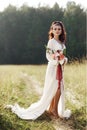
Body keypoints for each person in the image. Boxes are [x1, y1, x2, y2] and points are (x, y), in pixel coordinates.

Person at [6, 21, 71, 120]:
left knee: (58, 89)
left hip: (60, 68)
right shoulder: (51, 41)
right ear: (52, 30)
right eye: (55, 29)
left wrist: (64, 59)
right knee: (56, 89)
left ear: (62, 31)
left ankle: (52, 109)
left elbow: (63, 56)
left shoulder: (61, 43)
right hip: (53, 68)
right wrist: (56, 60)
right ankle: (54, 111)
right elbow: (48, 56)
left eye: (59, 29)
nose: (57, 30)